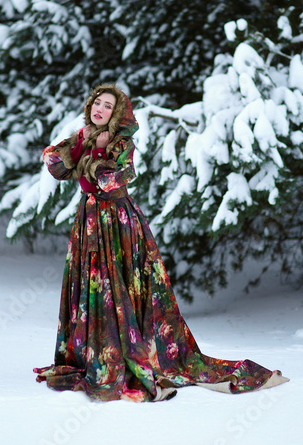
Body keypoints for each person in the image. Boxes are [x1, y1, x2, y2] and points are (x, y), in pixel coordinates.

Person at [34, 83, 289, 402]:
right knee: (93, 286)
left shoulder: (122, 142)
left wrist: (98, 153)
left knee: (120, 286)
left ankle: (123, 355)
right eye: (96, 103)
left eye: (107, 106)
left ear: (116, 115)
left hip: (117, 221)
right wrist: (71, 148)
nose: (99, 109)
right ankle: (92, 356)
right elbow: (57, 167)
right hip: (89, 222)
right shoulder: (83, 136)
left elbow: (114, 181)